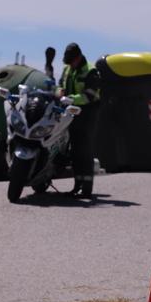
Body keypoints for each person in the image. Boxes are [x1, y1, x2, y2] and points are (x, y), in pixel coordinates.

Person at [57, 43, 100, 198]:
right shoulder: (67, 68)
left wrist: (70, 99)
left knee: (85, 151)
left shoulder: (91, 71)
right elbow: (60, 84)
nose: (70, 65)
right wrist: (59, 92)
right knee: (75, 151)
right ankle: (77, 185)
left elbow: (90, 95)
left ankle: (86, 189)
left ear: (79, 57)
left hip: (88, 114)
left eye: (72, 61)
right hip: (71, 114)